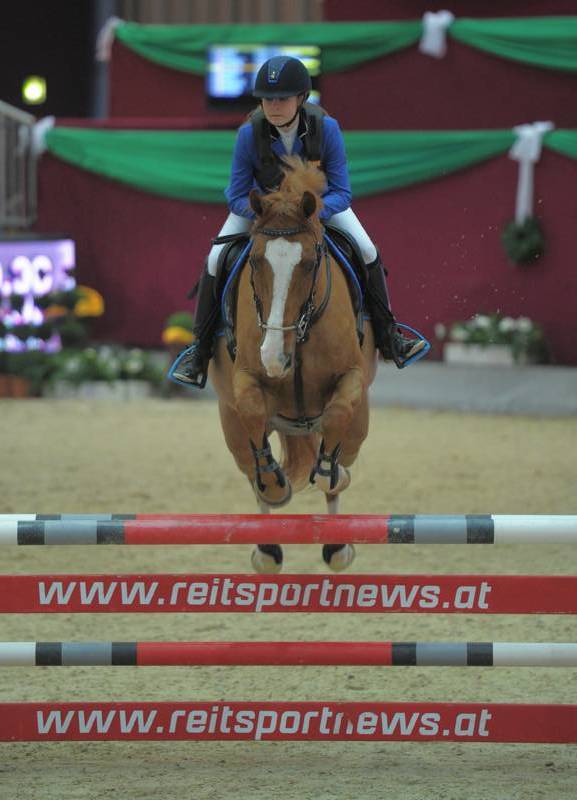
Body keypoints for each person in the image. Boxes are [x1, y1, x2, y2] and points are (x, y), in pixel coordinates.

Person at [171, 55, 427, 387]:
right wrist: (270, 212)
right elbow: (235, 194)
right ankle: (199, 351)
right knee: (215, 259)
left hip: (317, 210)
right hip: (263, 212)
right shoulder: (249, 134)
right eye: (267, 98)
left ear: (302, 98)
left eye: (282, 98)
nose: (274, 105)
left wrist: (307, 213)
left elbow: (342, 191)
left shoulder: (326, 128)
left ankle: (391, 337)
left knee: (367, 250)